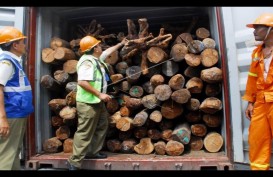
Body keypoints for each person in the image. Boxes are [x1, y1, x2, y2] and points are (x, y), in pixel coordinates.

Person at [67, 36, 127, 170]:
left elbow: (107, 53)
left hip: (96, 102)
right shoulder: (87, 62)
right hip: (88, 102)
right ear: (94, 49)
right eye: (99, 45)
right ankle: (74, 162)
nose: (101, 47)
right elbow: (82, 82)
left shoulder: (96, 59)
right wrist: (100, 94)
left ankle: (92, 152)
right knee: (84, 131)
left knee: (102, 124)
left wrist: (120, 44)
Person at [0, 26, 34, 170]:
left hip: (17, 113)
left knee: (13, 152)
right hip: (11, 114)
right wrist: (2, 118)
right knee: (6, 154)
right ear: (14, 45)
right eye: (22, 42)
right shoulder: (6, 63)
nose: (24, 45)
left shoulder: (14, 61)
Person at [243, 13, 273, 170]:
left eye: (257, 28)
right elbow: (252, 79)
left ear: (270, 29)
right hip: (261, 103)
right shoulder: (257, 53)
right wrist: (250, 102)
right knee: (257, 141)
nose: (254, 31)